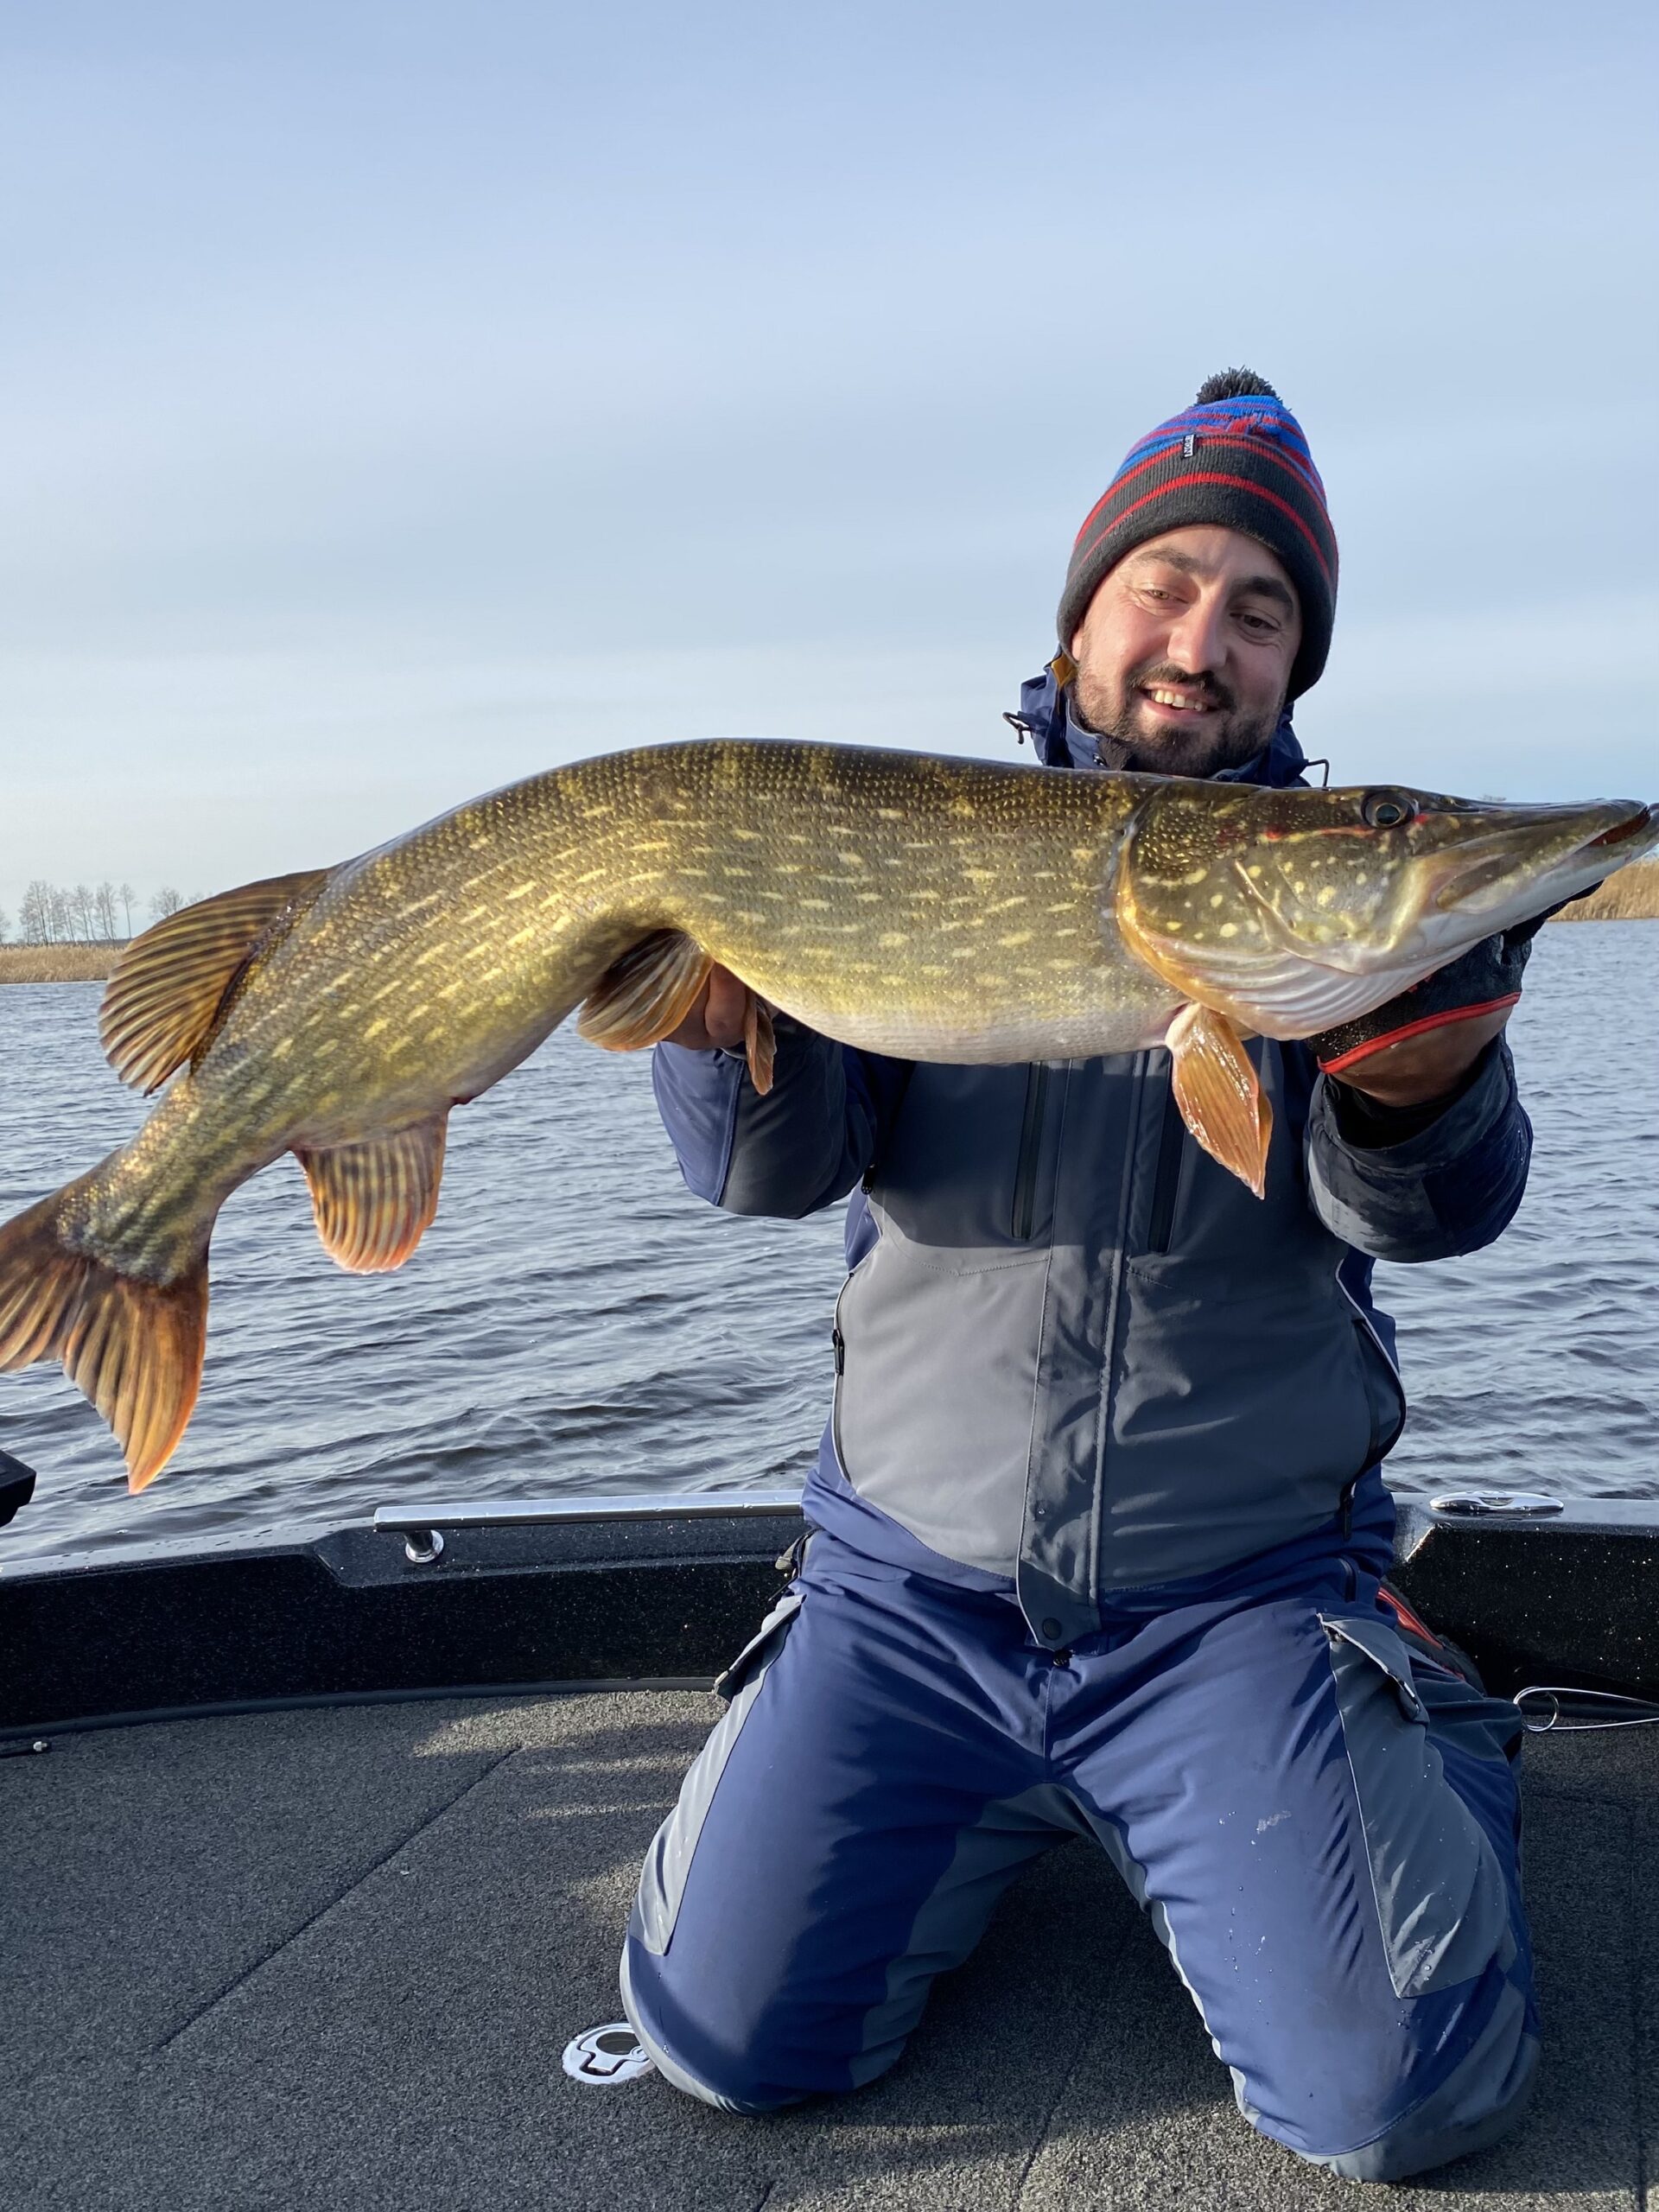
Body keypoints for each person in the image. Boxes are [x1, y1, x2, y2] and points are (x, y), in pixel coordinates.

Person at [620, 372, 1540, 2183]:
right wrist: (723, 1041)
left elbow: (1427, 1217)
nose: (1203, 641)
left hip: (1235, 1597)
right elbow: (761, 1176)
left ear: (1297, 667)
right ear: (1083, 612)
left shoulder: (1327, 895)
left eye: (1259, 609)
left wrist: (1423, 1083)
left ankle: (1423, 1729)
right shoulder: (897, 848)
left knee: (1406, 2098)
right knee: (720, 2039)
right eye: (1168, 585)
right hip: (910, 1591)